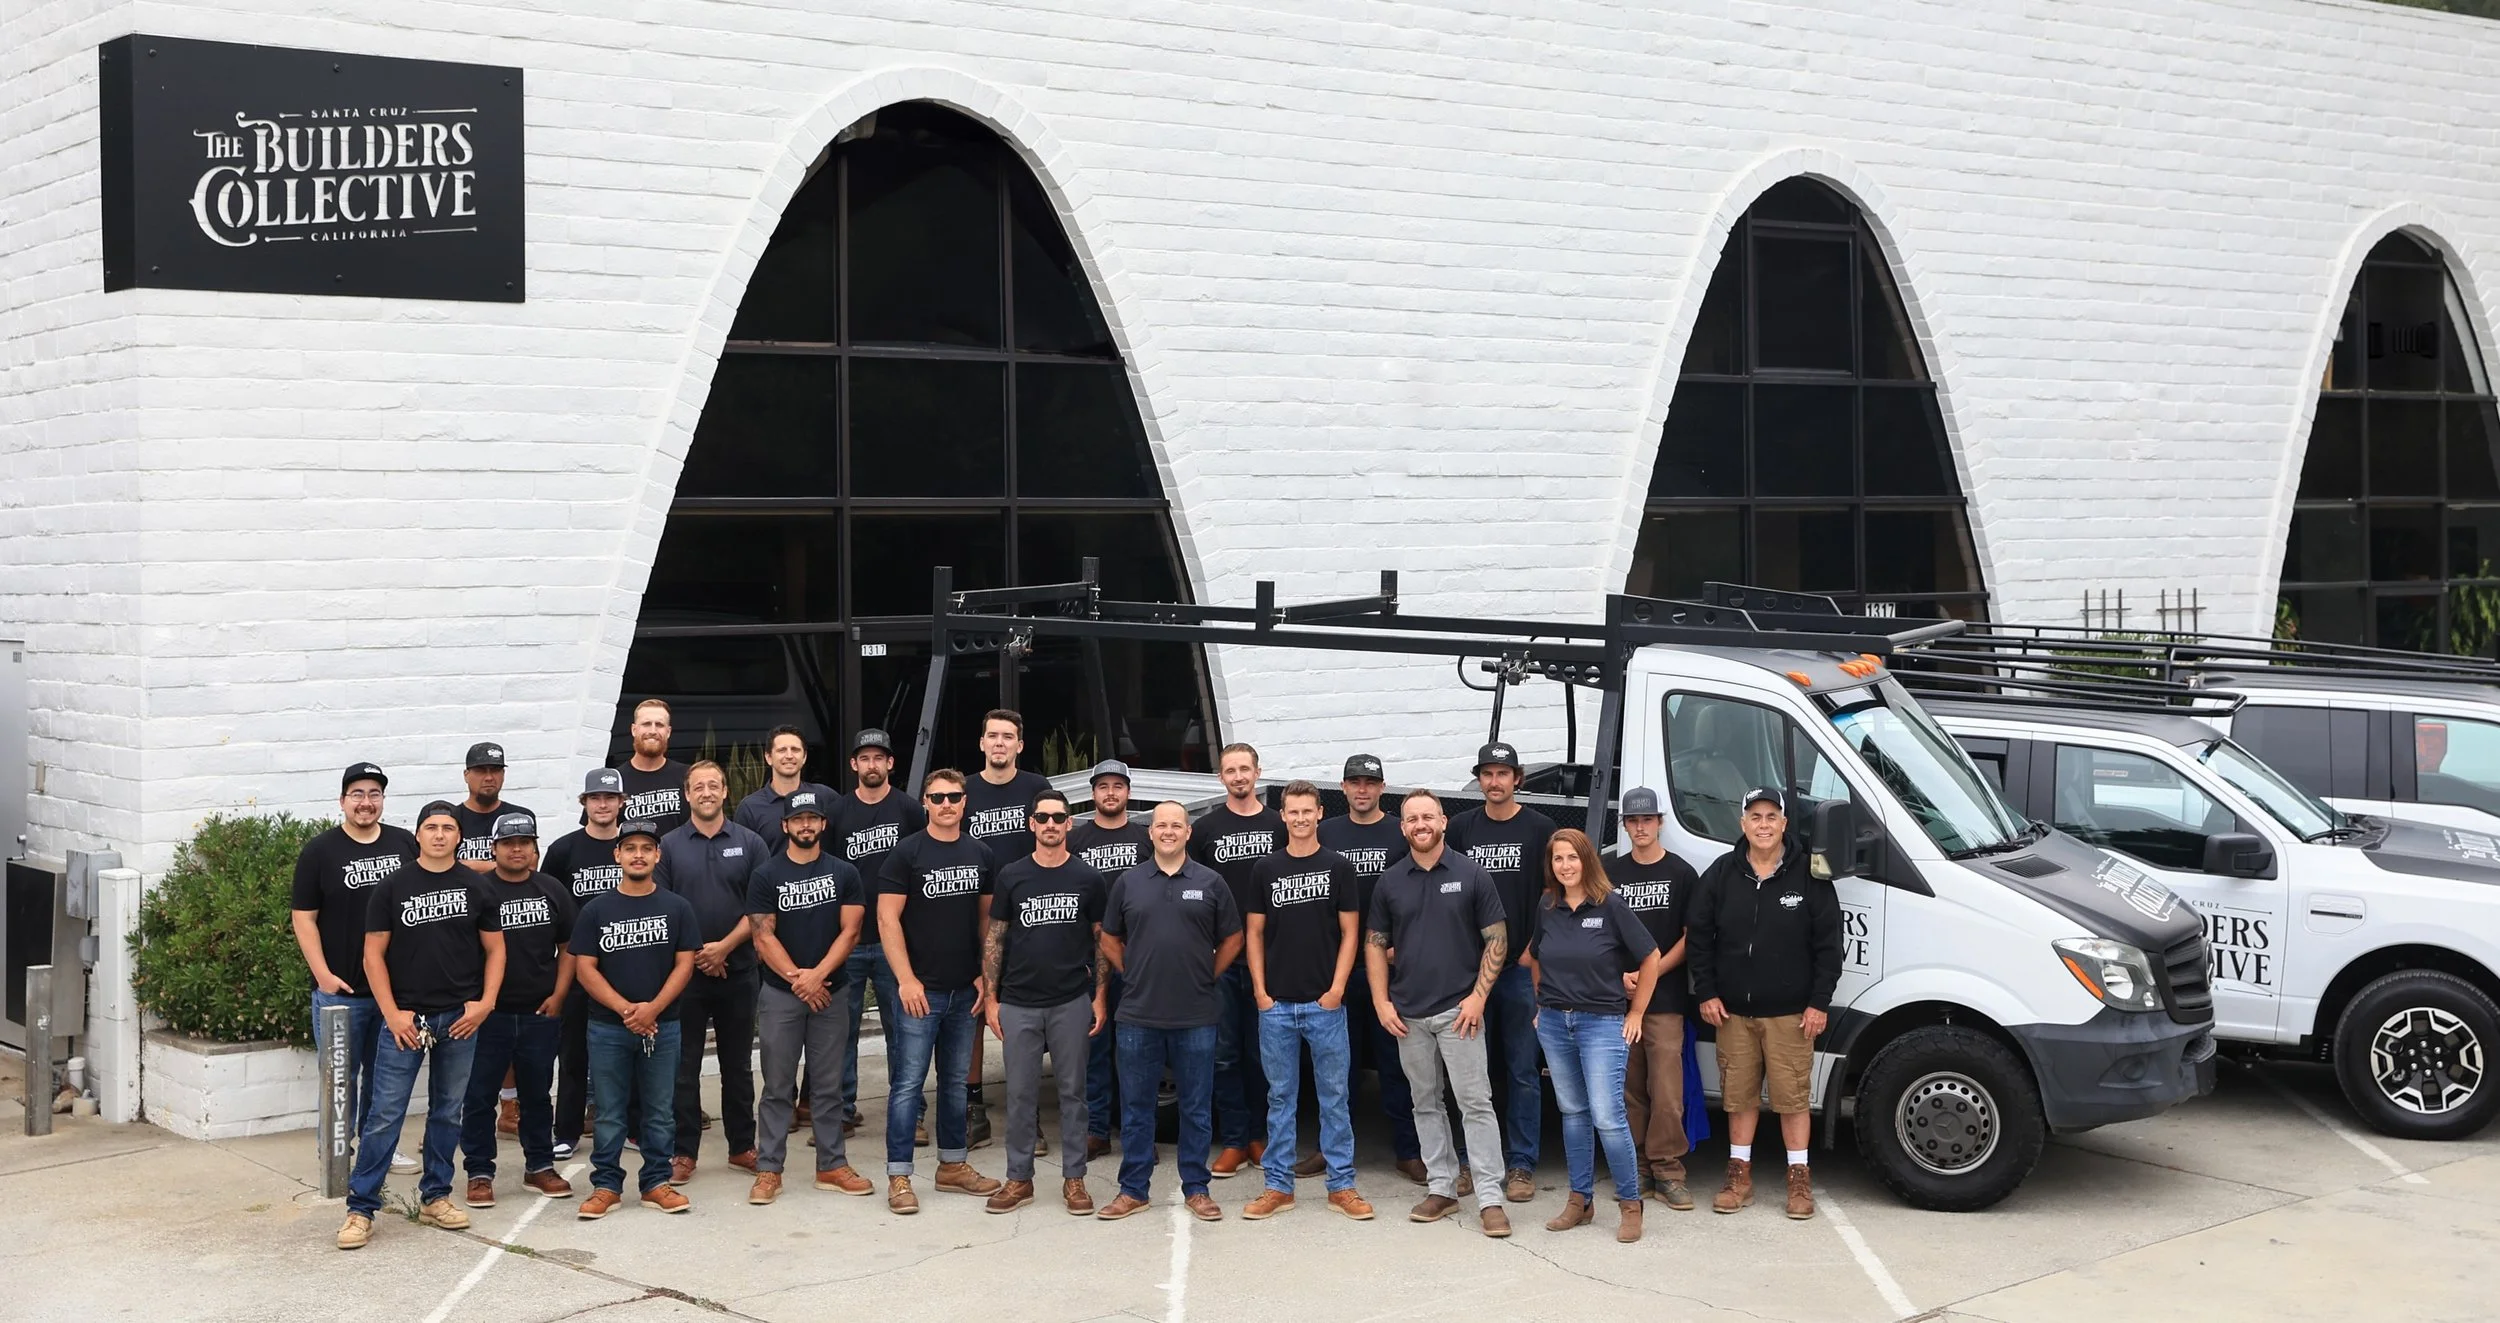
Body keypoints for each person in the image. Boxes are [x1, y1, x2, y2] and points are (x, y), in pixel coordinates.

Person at [336, 802, 506, 1251]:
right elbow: (372, 956)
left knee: (448, 1111)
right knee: (384, 1114)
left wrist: (485, 1004)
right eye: (430, 827)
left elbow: (496, 951)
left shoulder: (477, 887)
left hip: (460, 1020)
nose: (438, 834)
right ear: (417, 835)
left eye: (448, 827)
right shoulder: (392, 887)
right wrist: (391, 1013)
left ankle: (436, 1195)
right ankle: (361, 1208)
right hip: (406, 1020)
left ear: (460, 837)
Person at [1690, 788, 1842, 1221]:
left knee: (1793, 1099)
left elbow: (1829, 946)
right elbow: (1699, 938)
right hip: (1733, 1012)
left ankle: (1799, 1178)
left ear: (1784, 823)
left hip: (1791, 1015)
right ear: (1742, 824)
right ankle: (1740, 1175)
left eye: (1771, 816)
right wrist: (1707, 991)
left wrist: (1818, 1003)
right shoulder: (1721, 874)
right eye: (1754, 816)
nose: (1763, 824)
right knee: (1738, 1099)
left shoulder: (1811, 876)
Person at [1365, 788, 1511, 1238]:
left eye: (1428, 816)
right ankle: (1442, 1187)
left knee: (1475, 1104)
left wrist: (1478, 997)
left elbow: (1497, 939)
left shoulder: (1471, 874)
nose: (1420, 825)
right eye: (1412, 819)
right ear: (1403, 827)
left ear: (1443, 822)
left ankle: (1490, 1198)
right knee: (1424, 1104)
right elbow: (1374, 944)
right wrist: (1381, 1001)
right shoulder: (1390, 882)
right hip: (1407, 1014)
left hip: (1459, 1012)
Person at [1098, 802, 1242, 1223]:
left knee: (1196, 1107)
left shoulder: (1211, 882)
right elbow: (1108, 938)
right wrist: (1134, 972)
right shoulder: (1128, 882)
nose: (1168, 831)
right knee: (1137, 1106)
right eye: (1161, 824)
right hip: (1138, 1015)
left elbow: (1232, 939)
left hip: (1196, 1014)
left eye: (1176, 825)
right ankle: (1133, 1189)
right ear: (1151, 832)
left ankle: (1196, 1188)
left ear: (1188, 833)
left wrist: (1206, 975)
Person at [1521, 829, 1661, 1243]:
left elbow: (1650, 957)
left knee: (1607, 1116)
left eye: (1572, 858)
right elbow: (1535, 956)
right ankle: (1579, 1200)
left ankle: (1630, 1203)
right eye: (1558, 859)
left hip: (1601, 1024)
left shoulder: (1611, 905)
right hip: (1554, 1023)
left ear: (1587, 861)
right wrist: (1540, 1003)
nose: (1565, 866)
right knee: (1573, 1113)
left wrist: (1636, 1012)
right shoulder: (1547, 906)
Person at [1242, 781, 1372, 1221]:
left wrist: (1336, 991)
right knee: (1281, 1097)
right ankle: (1278, 1186)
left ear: (1320, 813)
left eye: (1307, 811)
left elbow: (1351, 933)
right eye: (1292, 812)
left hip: (1325, 1004)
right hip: (1275, 1005)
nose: (1299, 819)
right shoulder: (1266, 868)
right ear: (1283, 816)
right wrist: (1260, 992)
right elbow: (1254, 933)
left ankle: (1342, 1185)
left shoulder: (1338, 867)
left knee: (1334, 1096)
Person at [876, 768, 1005, 1212]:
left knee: (954, 1083)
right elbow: (887, 919)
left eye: (954, 797)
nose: (947, 804)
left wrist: (985, 976)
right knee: (908, 1085)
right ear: (925, 803)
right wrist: (906, 979)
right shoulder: (906, 854)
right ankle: (899, 1176)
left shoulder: (982, 853)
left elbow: (987, 921)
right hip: (919, 992)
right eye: (937, 797)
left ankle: (952, 1166)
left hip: (964, 991)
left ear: (964, 802)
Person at [981, 788, 1109, 1215]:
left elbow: (1100, 942)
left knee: (1074, 1092)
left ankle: (1075, 1180)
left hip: (1070, 1000)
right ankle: (1019, 1179)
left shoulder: (1088, 878)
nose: (1051, 825)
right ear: (1031, 824)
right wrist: (993, 998)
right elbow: (996, 937)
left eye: (1059, 818)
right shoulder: (1012, 875)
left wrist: (1101, 996)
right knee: (1019, 1094)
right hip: (1018, 1002)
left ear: (1069, 824)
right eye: (1043, 818)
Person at [290, 762, 420, 1176]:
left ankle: (379, 1148)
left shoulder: (403, 843)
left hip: (392, 993)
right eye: (358, 794)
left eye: (374, 794)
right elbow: (303, 917)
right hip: (340, 990)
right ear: (342, 801)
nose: (366, 803)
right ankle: (335, 1150)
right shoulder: (320, 851)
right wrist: (324, 976)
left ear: (383, 800)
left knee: (385, 1079)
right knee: (339, 1079)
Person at [744, 788, 874, 1204]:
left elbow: (850, 932)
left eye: (812, 819)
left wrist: (817, 976)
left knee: (828, 1085)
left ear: (822, 824)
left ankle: (831, 1165)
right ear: (785, 826)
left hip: (832, 993)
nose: (805, 825)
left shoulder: (844, 872)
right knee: (778, 1085)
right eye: (797, 820)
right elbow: (763, 935)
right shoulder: (766, 874)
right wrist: (799, 980)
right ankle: (769, 1170)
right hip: (782, 995)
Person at [570, 820, 700, 1219]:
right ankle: (606, 1186)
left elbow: (685, 964)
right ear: (618, 855)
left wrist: (652, 1009)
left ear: (658, 855)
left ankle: (655, 1183)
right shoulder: (597, 910)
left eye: (647, 847)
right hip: (609, 1028)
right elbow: (585, 969)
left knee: (660, 1111)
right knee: (609, 1112)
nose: (638, 854)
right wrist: (627, 1009)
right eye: (630, 848)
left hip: (663, 1025)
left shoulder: (677, 907)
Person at [1444, 742, 1553, 1204]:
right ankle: (1470, 1160)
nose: (1494, 781)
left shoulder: (1541, 829)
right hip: (1470, 975)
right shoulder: (1464, 828)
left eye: (1502, 773)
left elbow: (1553, 894)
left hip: (1519, 970)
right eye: (1486, 774)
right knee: (1471, 1073)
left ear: (1517, 779)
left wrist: (1532, 951)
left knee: (1523, 1070)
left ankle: (1522, 1163)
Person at [654, 760, 768, 1183]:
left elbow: (759, 907)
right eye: (698, 786)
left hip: (738, 971)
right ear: (687, 795)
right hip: (685, 975)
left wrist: (723, 948)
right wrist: (700, 953)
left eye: (714, 785)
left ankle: (742, 1146)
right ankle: (684, 1152)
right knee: (682, 1068)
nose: (706, 792)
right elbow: (662, 907)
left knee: (737, 1064)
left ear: (725, 793)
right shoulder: (667, 845)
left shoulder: (751, 842)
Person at [460, 812, 579, 1207]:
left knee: (537, 1094)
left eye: (524, 842)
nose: (516, 849)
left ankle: (539, 1165)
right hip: (487, 1014)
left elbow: (568, 949)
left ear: (534, 848)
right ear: (492, 848)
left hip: (538, 1012)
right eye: (508, 843)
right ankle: (479, 1171)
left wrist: (559, 995)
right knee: (478, 1096)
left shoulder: (552, 889)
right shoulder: (476, 890)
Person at [1318, 753, 1423, 1184]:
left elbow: (1421, 894)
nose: (1362, 789)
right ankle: (1330, 1152)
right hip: (1338, 968)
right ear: (1342, 788)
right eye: (1354, 782)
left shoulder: (1399, 833)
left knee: (1396, 1064)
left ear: (1382, 788)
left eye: (1370, 782)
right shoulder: (1326, 833)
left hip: (1389, 969)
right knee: (1336, 1067)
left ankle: (1408, 1150)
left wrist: (1406, 947)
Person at [1190, 742, 1282, 1177]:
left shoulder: (1278, 825)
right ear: (1220, 777)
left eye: (1245, 769)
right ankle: (1233, 1140)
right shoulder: (1206, 830)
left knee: (1263, 1055)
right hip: (1222, 958)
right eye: (1231, 770)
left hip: (1270, 959)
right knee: (1224, 1054)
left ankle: (1260, 1137)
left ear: (1258, 773)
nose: (1239, 776)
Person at [828, 729, 923, 1137]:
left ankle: (910, 1114)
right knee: (841, 1033)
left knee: (901, 1033)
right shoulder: (837, 811)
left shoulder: (909, 809)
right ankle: (843, 1112)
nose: (871, 765)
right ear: (854, 764)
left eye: (878, 758)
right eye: (863, 758)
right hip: (848, 939)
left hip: (895, 941)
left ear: (890, 764)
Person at [962, 710, 1050, 1147]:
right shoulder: (963, 791)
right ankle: (973, 1107)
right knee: (975, 1012)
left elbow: (1052, 843)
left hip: (1028, 918)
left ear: (1019, 744)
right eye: (992, 735)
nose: (999, 743)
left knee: (1024, 1019)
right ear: (982, 743)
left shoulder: (1037, 789)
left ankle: (1026, 1112)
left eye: (1008, 737)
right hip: (970, 915)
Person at [1612, 787, 1702, 1210]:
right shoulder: (1610, 873)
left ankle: (1668, 1168)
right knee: (1630, 1089)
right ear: (1626, 824)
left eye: (1648, 819)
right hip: (1621, 999)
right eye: (1633, 820)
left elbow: (1690, 938)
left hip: (1664, 999)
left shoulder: (1682, 874)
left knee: (1667, 1089)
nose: (1641, 826)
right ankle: (1638, 1168)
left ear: (1660, 822)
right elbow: (1599, 932)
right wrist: (1621, 977)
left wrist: (1649, 972)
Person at [1068, 759, 1151, 1159]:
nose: (1111, 793)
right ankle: (1097, 1129)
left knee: (1139, 1052)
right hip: (1090, 961)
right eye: (1104, 786)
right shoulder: (1076, 841)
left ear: (1128, 793)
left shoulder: (1145, 838)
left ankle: (1139, 1137)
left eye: (1118, 786)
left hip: (1141, 961)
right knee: (1095, 1049)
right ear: (1093, 793)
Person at [543, 768, 627, 1159]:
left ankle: (634, 1126)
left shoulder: (634, 846)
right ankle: (567, 1131)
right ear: (585, 803)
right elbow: (549, 907)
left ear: (622, 802)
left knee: (633, 1049)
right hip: (577, 966)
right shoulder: (563, 850)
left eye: (610, 798)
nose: (603, 804)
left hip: (629, 960)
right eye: (596, 798)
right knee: (573, 1053)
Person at [735, 725, 836, 848]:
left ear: (804, 757)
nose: (789, 755)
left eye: (795, 750)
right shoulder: (750, 808)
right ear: (768, 757)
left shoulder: (825, 797)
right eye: (782, 750)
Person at [618, 699, 692, 837]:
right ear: (634, 730)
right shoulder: (615, 780)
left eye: (659, 725)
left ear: (668, 732)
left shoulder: (688, 776)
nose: (653, 730)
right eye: (646, 724)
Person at [452, 742, 529, 872]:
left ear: (503, 774)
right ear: (466, 775)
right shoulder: (451, 819)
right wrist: (507, 867)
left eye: (495, 770)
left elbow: (530, 866)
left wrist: (469, 866)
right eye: (480, 771)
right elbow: (442, 867)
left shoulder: (520, 816)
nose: (489, 777)